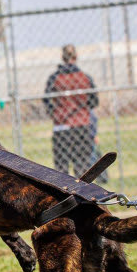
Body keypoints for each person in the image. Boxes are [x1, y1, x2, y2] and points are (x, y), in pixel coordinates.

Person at [43, 44, 98, 177]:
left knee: (62, 170)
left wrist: (56, 113)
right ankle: (83, 196)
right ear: (76, 56)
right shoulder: (85, 77)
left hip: (61, 128)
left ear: (62, 57)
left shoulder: (54, 78)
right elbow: (94, 101)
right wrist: (82, 110)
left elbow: (47, 101)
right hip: (82, 126)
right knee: (83, 168)